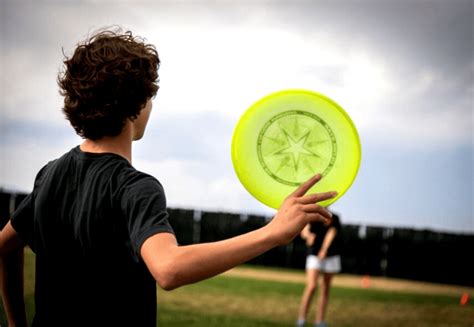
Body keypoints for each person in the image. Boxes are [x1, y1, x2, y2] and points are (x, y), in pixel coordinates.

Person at [0, 28, 337, 327]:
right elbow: (169, 269)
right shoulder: (136, 188)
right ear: (137, 104)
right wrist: (272, 233)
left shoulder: (50, 174)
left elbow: (5, 246)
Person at [296, 210, 342, 327]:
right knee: (311, 286)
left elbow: (331, 232)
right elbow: (304, 229)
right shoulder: (313, 215)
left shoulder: (334, 217)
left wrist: (324, 249)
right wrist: (308, 235)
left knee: (325, 288)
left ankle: (319, 321)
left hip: (331, 255)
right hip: (314, 255)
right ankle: (301, 319)